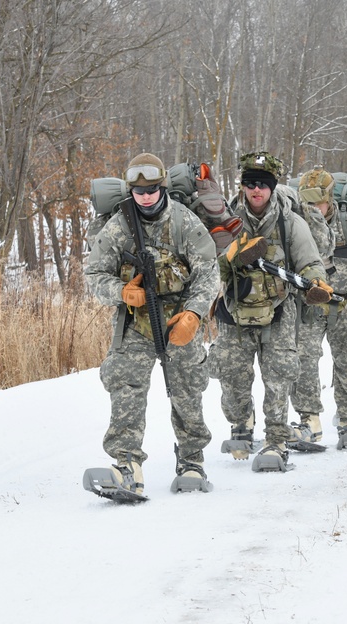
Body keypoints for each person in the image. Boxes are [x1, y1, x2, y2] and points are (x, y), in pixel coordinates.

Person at [85, 152, 219, 495]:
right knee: (125, 385)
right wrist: (121, 291)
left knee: (187, 389)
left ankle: (192, 459)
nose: (145, 197)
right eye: (139, 191)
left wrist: (194, 313)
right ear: (131, 190)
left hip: (178, 320)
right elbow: (94, 275)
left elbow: (208, 272)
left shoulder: (184, 222)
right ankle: (127, 464)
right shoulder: (118, 226)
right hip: (135, 324)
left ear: (162, 188)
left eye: (152, 190)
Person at [208, 151, 332, 472]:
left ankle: (276, 440)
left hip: (278, 310)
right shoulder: (226, 220)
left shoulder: (290, 222)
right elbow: (208, 262)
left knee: (278, 375)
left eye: (263, 185)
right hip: (235, 311)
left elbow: (309, 260)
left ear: (272, 187)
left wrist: (316, 282)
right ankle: (240, 422)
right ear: (242, 187)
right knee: (232, 375)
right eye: (250, 184)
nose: (256, 191)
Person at [289, 167, 347, 449]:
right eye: (308, 203)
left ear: (330, 199)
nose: (314, 209)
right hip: (309, 306)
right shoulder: (295, 225)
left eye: (319, 203)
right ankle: (309, 420)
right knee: (303, 360)